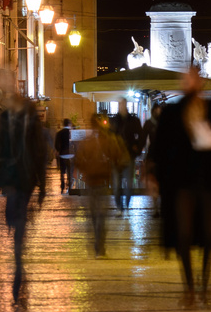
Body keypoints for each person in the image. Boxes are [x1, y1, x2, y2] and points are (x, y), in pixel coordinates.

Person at [151, 66, 211, 306]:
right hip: (182, 183)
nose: (190, 82)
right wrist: (157, 176)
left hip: (210, 182)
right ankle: (189, 287)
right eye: (186, 78)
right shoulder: (172, 112)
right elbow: (160, 148)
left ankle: (205, 286)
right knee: (184, 235)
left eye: (193, 78)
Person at [0, 74, 46, 312]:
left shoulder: (30, 120)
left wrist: (42, 184)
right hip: (11, 178)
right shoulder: (4, 118)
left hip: (24, 179)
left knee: (18, 219)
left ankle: (18, 259)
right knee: (13, 217)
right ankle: (18, 248)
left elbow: (39, 150)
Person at [75, 116, 127, 256]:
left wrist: (86, 169)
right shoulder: (107, 140)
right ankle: (100, 246)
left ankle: (96, 244)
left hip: (91, 182)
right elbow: (118, 155)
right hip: (103, 181)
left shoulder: (86, 142)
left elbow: (78, 160)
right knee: (101, 215)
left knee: (93, 214)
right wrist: (113, 167)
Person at [114, 100, 145, 210]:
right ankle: (119, 207)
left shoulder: (133, 120)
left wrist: (136, 149)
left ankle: (126, 205)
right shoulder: (114, 120)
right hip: (116, 157)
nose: (121, 106)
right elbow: (107, 137)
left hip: (129, 155)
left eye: (122, 104)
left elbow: (141, 136)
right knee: (117, 185)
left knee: (129, 185)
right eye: (120, 104)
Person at [54, 118, 74, 194]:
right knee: (70, 171)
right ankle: (69, 186)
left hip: (62, 155)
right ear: (69, 124)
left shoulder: (59, 133)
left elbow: (56, 144)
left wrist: (58, 150)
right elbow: (75, 143)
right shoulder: (72, 132)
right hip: (71, 155)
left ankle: (62, 186)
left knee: (62, 171)